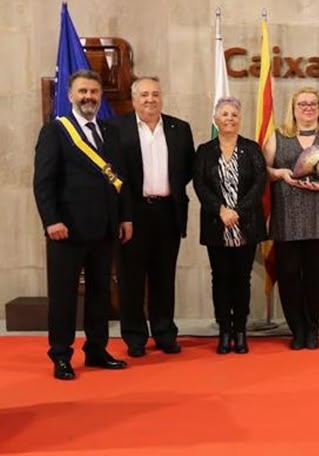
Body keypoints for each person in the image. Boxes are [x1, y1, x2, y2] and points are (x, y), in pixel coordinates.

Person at [33, 69, 132, 380]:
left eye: (93, 92)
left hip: (104, 229)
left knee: (101, 294)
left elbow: (121, 180)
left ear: (100, 96)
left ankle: (96, 349)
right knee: (63, 296)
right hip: (68, 230)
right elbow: (43, 182)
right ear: (70, 96)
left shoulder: (110, 131)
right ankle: (61, 355)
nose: (88, 97)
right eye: (82, 92)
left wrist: (125, 216)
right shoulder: (56, 131)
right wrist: (51, 221)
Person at [112, 76, 195, 358]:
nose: (150, 99)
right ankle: (135, 337)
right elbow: (112, 174)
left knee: (164, 277)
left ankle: (164, 333)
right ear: (134, 99)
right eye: (144, 94)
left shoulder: (179, 129)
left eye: (155, 94)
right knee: (131, 278)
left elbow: (186, 171)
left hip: (167, 211)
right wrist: (123, 214)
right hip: (131, 214)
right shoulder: (115, 127)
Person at [264, 87, 319, 351]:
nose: (308, 108)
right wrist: (279, 173)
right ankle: (297, 329)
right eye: (302, 104)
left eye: (312, 103)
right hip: (287, 217)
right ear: (293, 108)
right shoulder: (278, 136)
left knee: (314, 277)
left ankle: (312, 329)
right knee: (288, 276)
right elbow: (263, 171)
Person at [193, 96, 267, 355]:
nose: (229, 119)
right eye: (224, 114)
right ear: (216, 119)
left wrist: (237, 211)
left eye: (234, 114)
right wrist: (221, 210)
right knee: (220, 279)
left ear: (239, 119)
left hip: (246, 224)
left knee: (242, 279)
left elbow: (260, 182)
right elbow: (200, 185)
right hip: (217, 225)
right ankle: (224, 331)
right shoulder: (204, 150)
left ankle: (240, 330)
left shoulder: (252, 148)